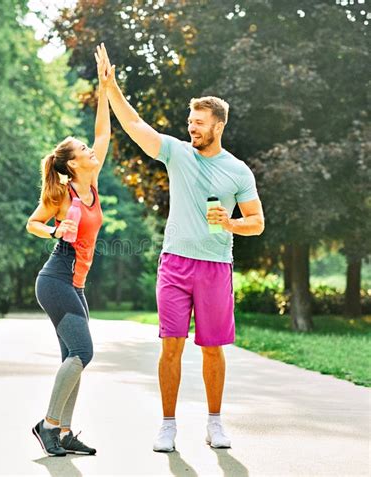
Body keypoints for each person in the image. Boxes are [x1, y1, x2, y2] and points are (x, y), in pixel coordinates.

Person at [95, 44, 264, 452]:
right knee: (171, 344)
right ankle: (168, 425)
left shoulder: (237, 170)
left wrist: (231, 222)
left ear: (218, 126)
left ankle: (215, 423)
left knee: (212, 349)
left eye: (200, 123)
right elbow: (135, 124)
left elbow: (257, 223)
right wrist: (111, 87)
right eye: (190, 121)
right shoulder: (176, 152)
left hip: (215, 267)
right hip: (174, 263)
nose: (192, 128)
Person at [26, 46, 111, 457]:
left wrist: (104, 88)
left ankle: (63, 432)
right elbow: (32, 223)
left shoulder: (91, 184)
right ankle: (47, 425)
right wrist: (57, 228)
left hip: (75, 284)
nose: (92, 152)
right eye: (85, 152)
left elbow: (103, 134)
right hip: (55, 279)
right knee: (82, 352)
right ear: (72, 164)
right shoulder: (61, 193)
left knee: (72, 359)